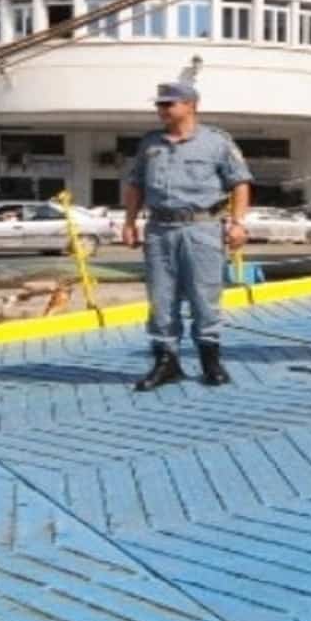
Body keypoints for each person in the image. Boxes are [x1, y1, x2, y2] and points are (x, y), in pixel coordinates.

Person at [120, 81, 251, 390]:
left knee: (205, 295)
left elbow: (240, 183)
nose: (161, 110)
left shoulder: (216, 142)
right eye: (159, 105)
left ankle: (210, 360)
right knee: (161, 298)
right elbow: (136, 184)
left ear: (191, 105)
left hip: (201, 227)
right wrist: (128, 222)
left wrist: (238, 222)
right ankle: (166, 361)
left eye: (169, 104)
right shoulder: (150, 144)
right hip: (159, 229)